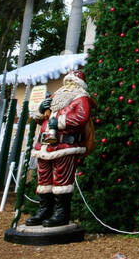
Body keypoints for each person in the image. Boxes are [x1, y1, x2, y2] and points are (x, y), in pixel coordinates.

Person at [26, 70, 91, 229]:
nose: (69, 86)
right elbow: (39, 118)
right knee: (44, 179)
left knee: (61, 179)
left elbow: (81, 118)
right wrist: (41, 109)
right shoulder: (55, 98)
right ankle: (44, 210)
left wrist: (60, 122)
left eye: (72, 82)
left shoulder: (81, 98)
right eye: (67, 82)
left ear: (79, 85)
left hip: (64, 146)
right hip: (46, 145)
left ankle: (61, 213)